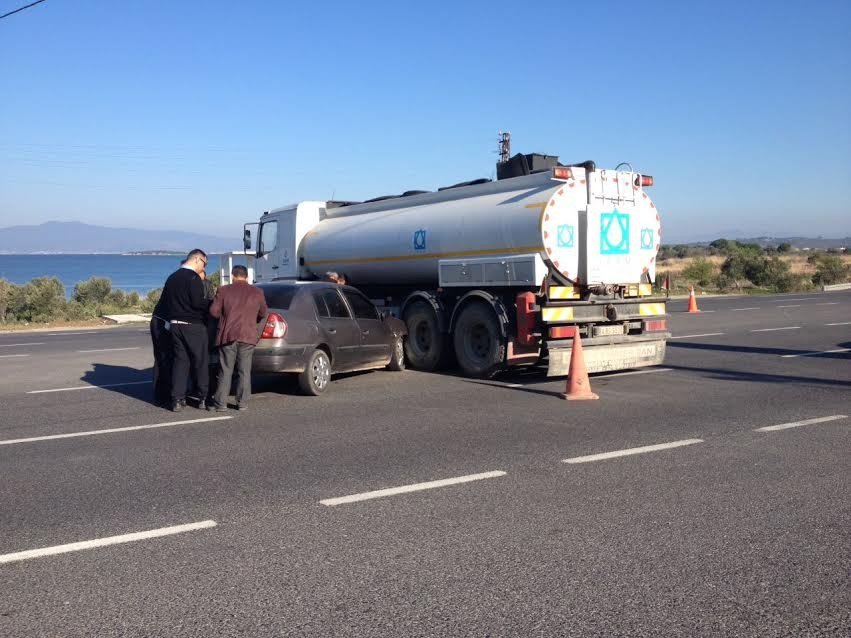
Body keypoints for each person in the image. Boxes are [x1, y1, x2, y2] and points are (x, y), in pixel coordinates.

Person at [157, 249, 211, 411]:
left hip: (175, 325)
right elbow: (197, 303)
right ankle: (202, 397)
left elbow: (165, 301)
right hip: (193, 325)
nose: (204, 267)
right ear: (197, 259)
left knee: (181, 362)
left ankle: (177, 399)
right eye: (204, 263)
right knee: (200, 361)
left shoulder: (172, 278)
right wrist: (211, 303)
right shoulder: (193, 278)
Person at [208, 265, 268, 412]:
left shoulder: (224, 290)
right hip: (248, 334)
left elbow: (214, 312)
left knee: (225, 369)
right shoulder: (257, 292)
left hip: (228, 335)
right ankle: (242, 402)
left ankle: (221, 402)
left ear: (233, 275)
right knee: (244, 370)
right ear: (246, 276)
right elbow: (263, 312)